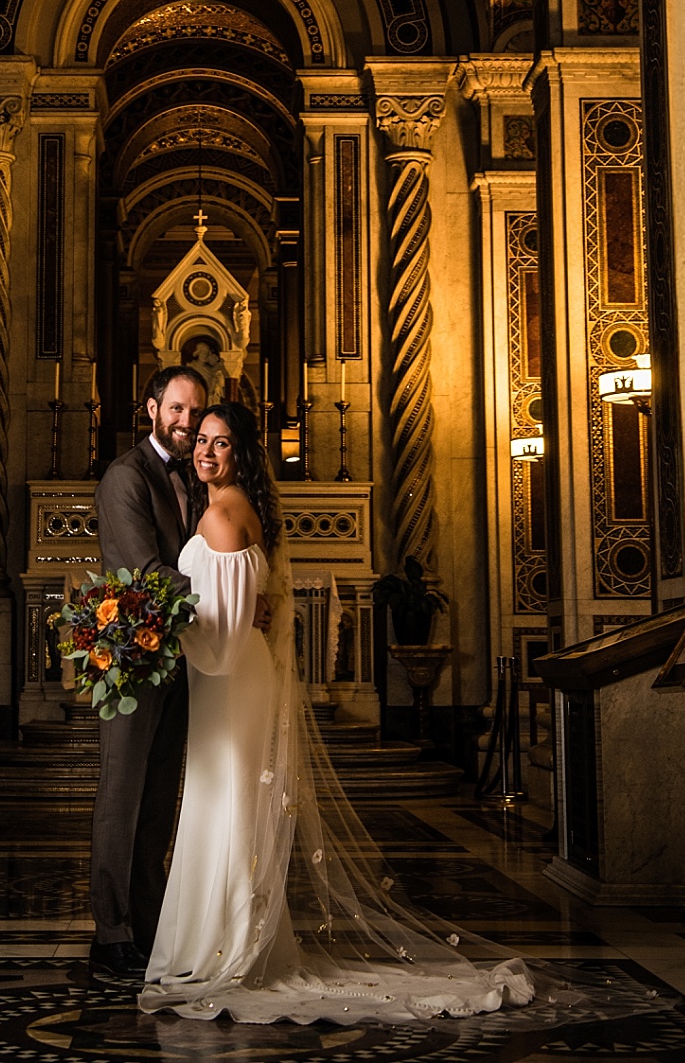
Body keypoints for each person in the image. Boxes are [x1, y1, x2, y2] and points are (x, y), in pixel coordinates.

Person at [140, 402, 538, 1027]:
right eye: (202, 442)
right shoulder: (242, 509)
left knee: (222, 805)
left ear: (241, 452)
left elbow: (215, 643)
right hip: (241, 679)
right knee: (230, 805)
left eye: (221, 443)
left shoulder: (220, 514)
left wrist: (160, 629)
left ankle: (220, 952)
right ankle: (231, 941)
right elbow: (244, 610)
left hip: (225, 680)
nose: (206, 452)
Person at [88, 364, 207, 985]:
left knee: (159, 801)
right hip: (134, 661)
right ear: (153, 407)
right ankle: (109, 935)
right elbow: (147, 571)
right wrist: (228, 590)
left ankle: (147, 924)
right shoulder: (124, 476)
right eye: (178, 409)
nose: (187, 421)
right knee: (122, 796)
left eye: (195, 411)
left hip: (180, 658)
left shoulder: (194, 475)